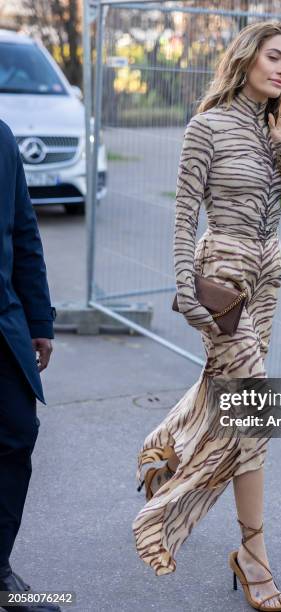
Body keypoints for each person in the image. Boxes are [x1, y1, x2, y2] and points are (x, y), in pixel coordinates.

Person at [133, 21, 281, 611]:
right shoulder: (207, 127)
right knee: (255, 409)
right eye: (274, 57)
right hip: (224, 269)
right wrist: (185, 285)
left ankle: (164, 446)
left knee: (231, 396)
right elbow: (185, 213)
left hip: (269, 272)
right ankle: (253, 556)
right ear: (245, 59)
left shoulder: (277, 130)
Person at [0, 119, 59, 612]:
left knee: (17, 436)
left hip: (3, 324)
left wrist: (39, 317)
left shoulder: (0, 137)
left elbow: (23, 230)